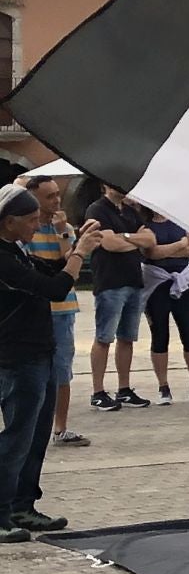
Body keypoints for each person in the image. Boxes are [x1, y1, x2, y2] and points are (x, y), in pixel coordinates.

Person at [0, 186, 103, 541]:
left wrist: (76, 246)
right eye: (30, 220)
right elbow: (54, 289)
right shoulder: (2, 258)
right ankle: (2, 513)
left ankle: (22, 506)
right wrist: (81, 253)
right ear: (9, 222)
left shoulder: (18, 249)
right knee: (17, 438)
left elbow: (52, 269)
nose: (36, 225)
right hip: (15, 359)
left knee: (35, 438)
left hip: (40, 354)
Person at [24, 175, 87, 446]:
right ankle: (30, 426)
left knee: (62, 369)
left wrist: (62, 232)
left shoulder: (65, 227)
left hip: (64, 308)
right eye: (49, 196)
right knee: (30, 370)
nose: (57, 200)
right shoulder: (26, 229)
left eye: (57, 194)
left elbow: (72, 267)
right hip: (35, 309)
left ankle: (60, 428)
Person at [84, 184, 156, 411]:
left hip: (134, 281)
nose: (123, 187)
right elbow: (108, 244)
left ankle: (124, 389)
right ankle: (98, 391)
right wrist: (134, 241)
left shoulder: (130, 211)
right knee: (104, 337)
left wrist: (124, 237)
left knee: (127, 338)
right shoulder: (97, 210)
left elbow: (150, 240)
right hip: (110, 282)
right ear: (104, 184)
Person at [142, 213, 189, 405]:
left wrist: (167, 250)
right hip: (157, 283)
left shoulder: (181, 220)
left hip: (183, 281)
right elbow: (151, 253)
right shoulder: (144, 224)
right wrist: (180, 245)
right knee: (160, 334)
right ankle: (163, 387)